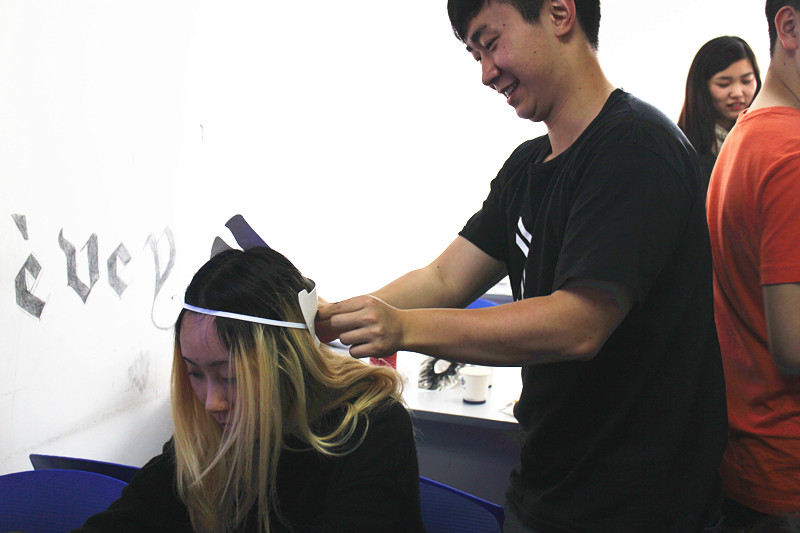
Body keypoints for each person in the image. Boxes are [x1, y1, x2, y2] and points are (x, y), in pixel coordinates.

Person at [317, 1, 727, 531]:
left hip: (640, 510)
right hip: (548, 491)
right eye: (475, 55)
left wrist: (401, 328)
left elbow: (577, 324)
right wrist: (334, 317)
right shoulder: (527, 168)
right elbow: (444, 279)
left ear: (559, 13)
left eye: (491, 43)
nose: (486, 73)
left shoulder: (637, 149)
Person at [74, 246, 426, 533]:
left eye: (229, 377)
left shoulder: (373, 427)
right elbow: (129, 518)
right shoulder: (210, 436)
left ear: (286, 364)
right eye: (195, 373)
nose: (211, 402)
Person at [706, 1, 800, 529]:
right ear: (789, 27)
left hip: (750, 452)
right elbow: (793, 343)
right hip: (786, 469)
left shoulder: (748, 135)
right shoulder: (791, 154)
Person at [678, 36, 762, 185]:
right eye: (724, 84)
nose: (737, 93)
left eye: (746, 81)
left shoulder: (766, 136)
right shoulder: (683, 151)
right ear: (702, 88)